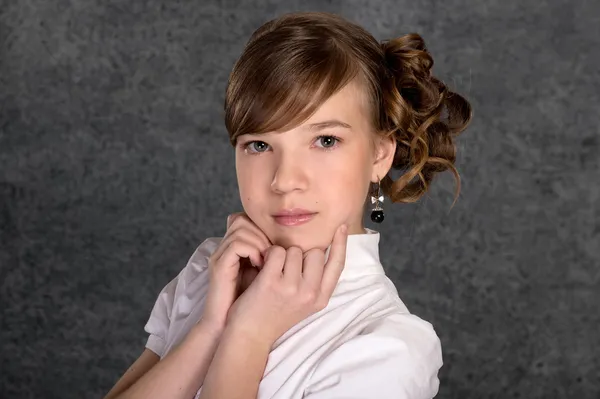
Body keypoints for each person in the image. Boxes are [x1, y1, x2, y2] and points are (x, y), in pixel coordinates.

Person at [103, 11, 472, 399]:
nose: (284, 181)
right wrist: (211, 327)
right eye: (259, 145)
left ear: (380, 154)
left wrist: (248, 334)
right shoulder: (212, 268)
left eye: (325, 140)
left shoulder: (388, 348)